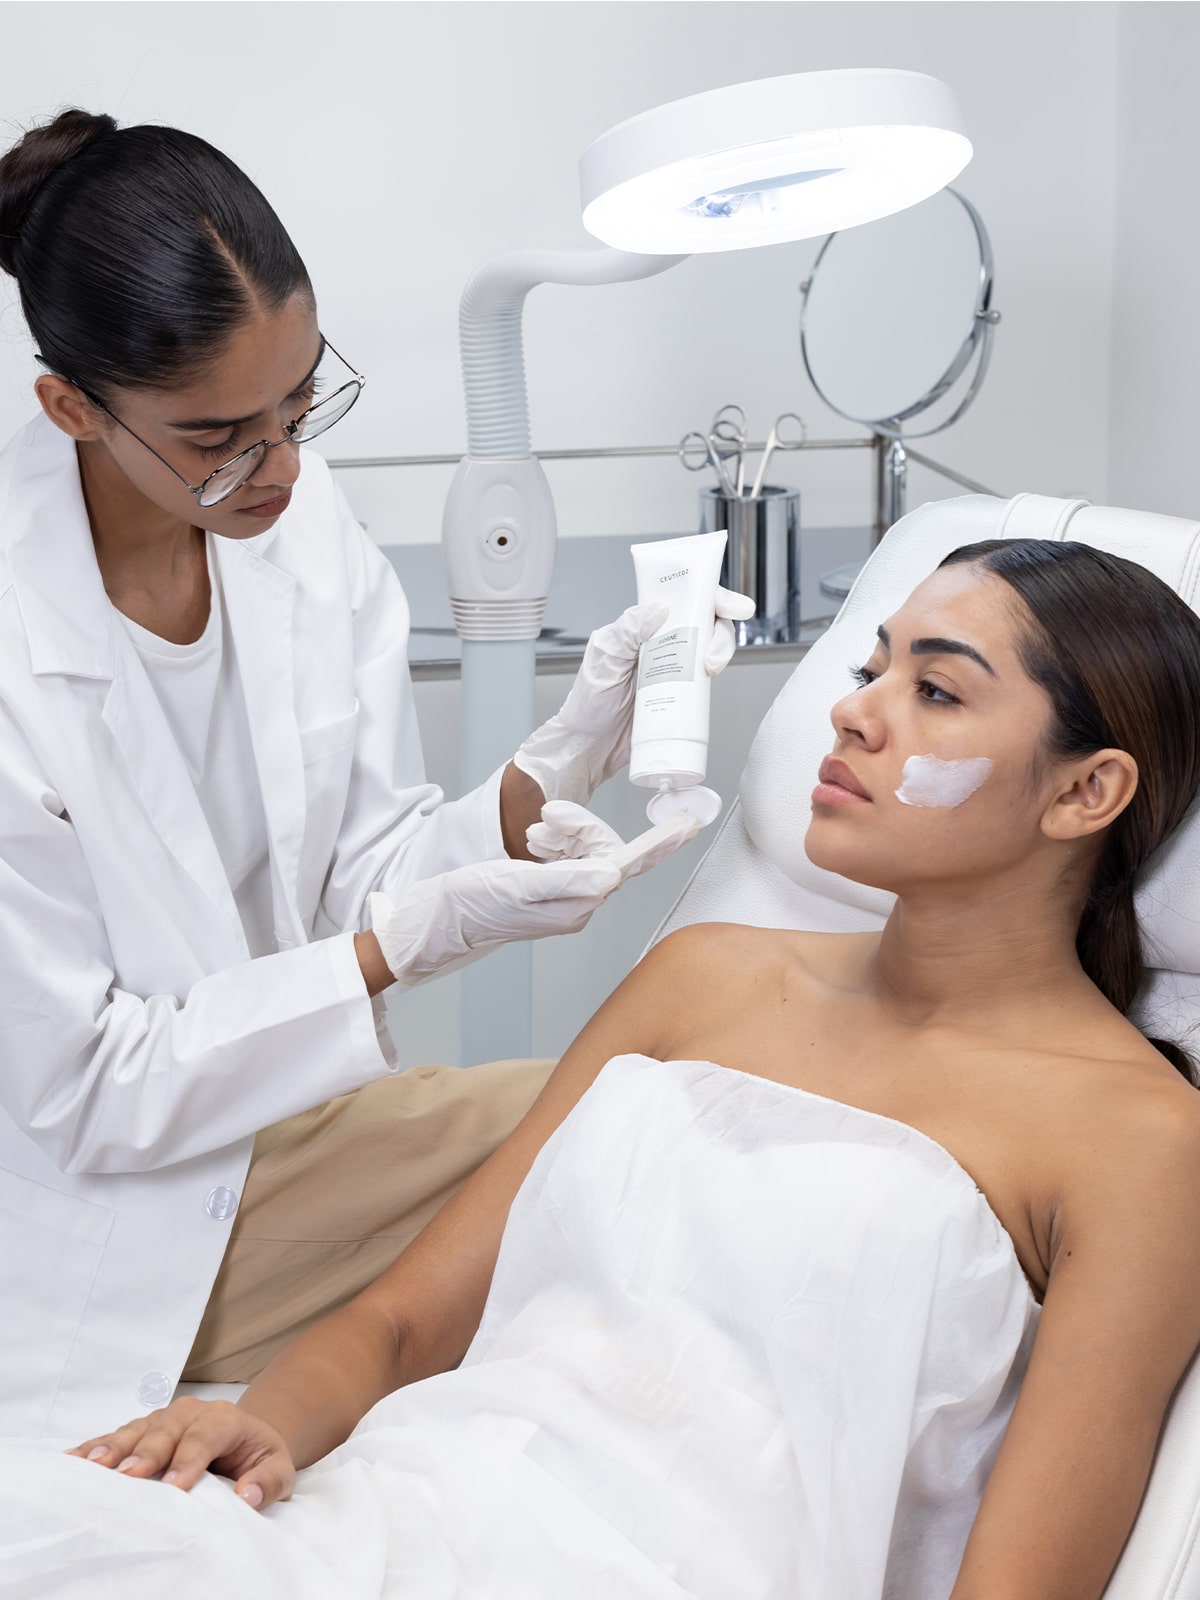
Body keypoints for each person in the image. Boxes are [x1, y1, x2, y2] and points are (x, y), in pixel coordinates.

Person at [11, 537, 1200, 1600]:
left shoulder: (1138, 1142)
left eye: (934, 690)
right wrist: (261, 1429)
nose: (854, 712)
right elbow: (402, 1321)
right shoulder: (708, 975)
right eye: (868, 669)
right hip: (401, 1508)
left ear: (1085, 790)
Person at [0, 109, 753, 1439]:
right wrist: (392, 951)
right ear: (72, 407)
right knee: (625, 1133)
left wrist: (551, 768)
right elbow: (91, 1090)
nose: (283, 466)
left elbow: (371, 864)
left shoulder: (293, 526)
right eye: (219, 435)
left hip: (284, 1130)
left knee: (663, 1127)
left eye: (300, 402)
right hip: (104, 1209)